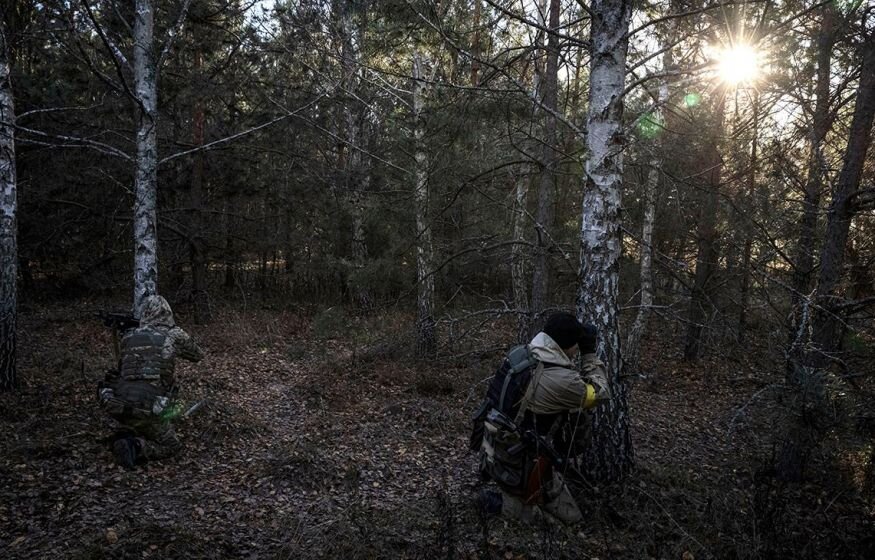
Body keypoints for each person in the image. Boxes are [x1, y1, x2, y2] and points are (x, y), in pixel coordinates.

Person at [478, 312, 610, 524]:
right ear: (565, 347)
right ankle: (504, 505)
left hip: (495, 445)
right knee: (561, 522)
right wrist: (589, 355)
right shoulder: (560, 380)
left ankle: (510, 491)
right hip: (522, 461)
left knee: (567, 513)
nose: (576, 350)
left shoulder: (521, 354)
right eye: (575, 345)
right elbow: (601, 392)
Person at [99, 295, 204, 468]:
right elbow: (198, 355)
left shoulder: (128, 336)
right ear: (167, 312)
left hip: (117, 404)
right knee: (172, 446)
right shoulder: (173, 335)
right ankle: (136, 446)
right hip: (149, 407)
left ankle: (125, 434)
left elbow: (121, 368)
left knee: (140, 418)